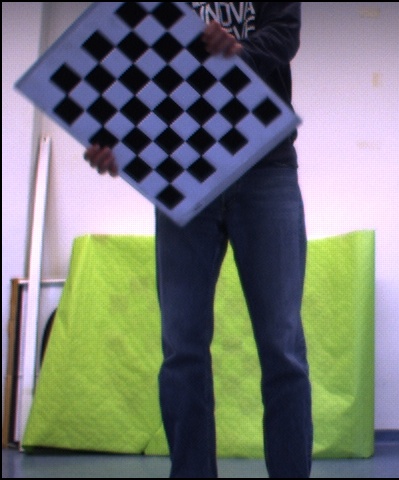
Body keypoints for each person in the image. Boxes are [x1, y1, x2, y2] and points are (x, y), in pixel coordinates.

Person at [83, 3, 312, 478]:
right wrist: (116, 136)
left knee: (282, 346)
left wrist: (238, 53)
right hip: (182, 166)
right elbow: (139, 62)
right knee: (182, 347)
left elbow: (285, 33)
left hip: (264, 163)